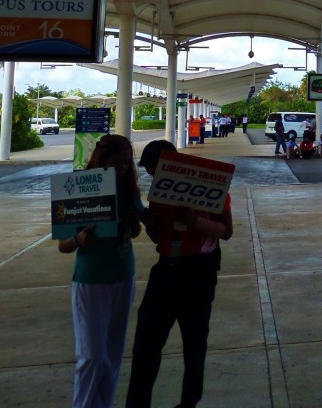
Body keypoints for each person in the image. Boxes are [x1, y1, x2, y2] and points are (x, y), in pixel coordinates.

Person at [125, 140, 233, 408]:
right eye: (150, 173)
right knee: (145, 346)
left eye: (155, 170)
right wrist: (149, 222)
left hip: (198, 271)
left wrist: (195, 220)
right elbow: (158, 236)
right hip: (165, 268)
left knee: (194, 346)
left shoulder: (211, 188)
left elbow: (226, 231)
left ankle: (188, 403)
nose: (153, 176)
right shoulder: (160, 193)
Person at [57, 134, 142, 408]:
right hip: (91, 279)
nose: (121, 168)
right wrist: (78, 240)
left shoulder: (130, 191)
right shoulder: (80, 188)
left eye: (127, 163)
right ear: (100, 160)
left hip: (123, 275)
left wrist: (135, 222)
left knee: (113, 353)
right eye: (115, 162)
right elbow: (64, 246)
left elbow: (138, 230)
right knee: (91, 355)